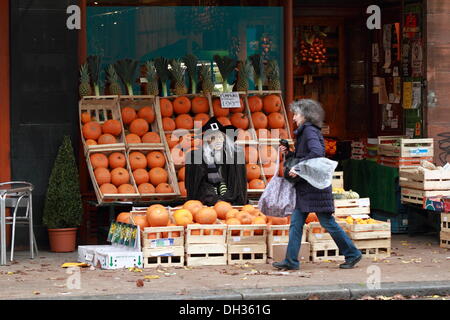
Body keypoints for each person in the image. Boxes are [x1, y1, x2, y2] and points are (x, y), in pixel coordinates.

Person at [272, 99, 362, 270]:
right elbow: (307, 155)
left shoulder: (309, 132)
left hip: (315, 187)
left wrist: (298, 168)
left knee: (327, 222)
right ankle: (291, 261)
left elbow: (317, 153)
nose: (294, 118)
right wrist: (290, 152)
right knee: (296, 223)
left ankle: (352, 253)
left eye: (296, 114)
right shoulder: (305, 131)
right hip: (308, 186)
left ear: (305, 116)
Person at [184, 117, 248, 206]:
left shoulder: (235, 158)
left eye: (219, 137)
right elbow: (200, 185)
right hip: (207, 206)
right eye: (212, 138)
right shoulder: (196, 158)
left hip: (232, 204)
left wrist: (227, 200)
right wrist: (214, 200)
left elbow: (237, 186)